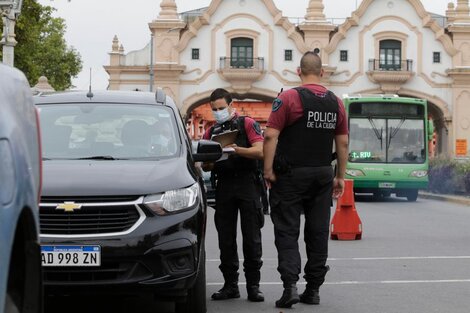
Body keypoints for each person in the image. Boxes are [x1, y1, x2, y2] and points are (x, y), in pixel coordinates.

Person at [263, 51, 349, 308]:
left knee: (287, 231)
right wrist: (340, 176)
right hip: (323, 173)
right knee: (318, 231)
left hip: (291, 175)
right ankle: (313, 290)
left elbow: (269, 136)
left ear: (298, 72)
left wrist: (268, 171)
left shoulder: (288, 97)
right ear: (322, 72)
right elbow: (342, 142)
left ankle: (290, 287)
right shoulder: (336, 102)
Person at [202, 88, 265, 302]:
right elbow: (206, 165)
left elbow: (260, 151)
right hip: (224, 186)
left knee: (252, 238)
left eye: (221, 108)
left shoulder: (247, 124)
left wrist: (237, 150)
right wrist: (215, 157)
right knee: (225, 239)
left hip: (247, 183)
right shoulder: (210, 132)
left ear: (231, 105)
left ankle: (253, 287)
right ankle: (230, 285)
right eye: (214, 109)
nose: (218, 112)